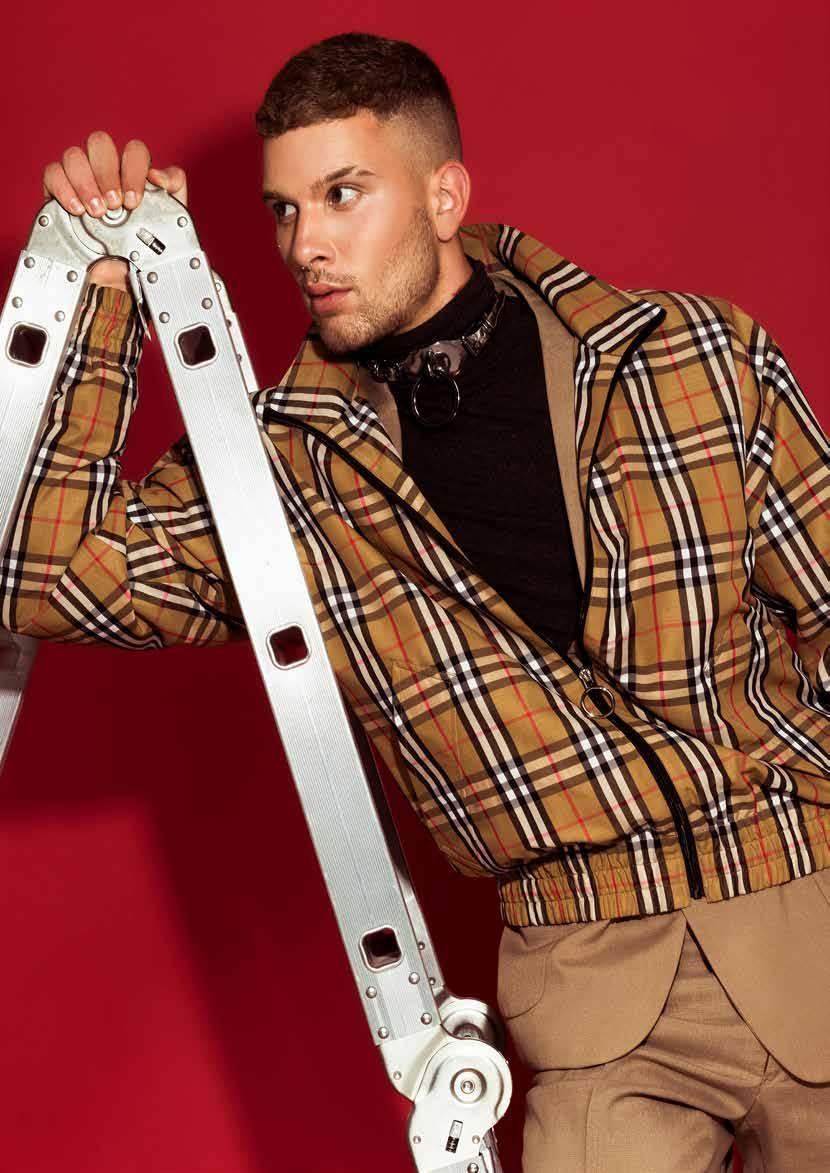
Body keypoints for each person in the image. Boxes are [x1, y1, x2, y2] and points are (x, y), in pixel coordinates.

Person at [2, 30, 828, 1173]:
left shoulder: (688, 355)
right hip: (593, 1005)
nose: (305, 243)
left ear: (444, 196)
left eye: (343, 194)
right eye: (284, 210)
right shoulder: (278, 470)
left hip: (803, 913)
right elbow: (49, 576)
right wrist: (106, 295)